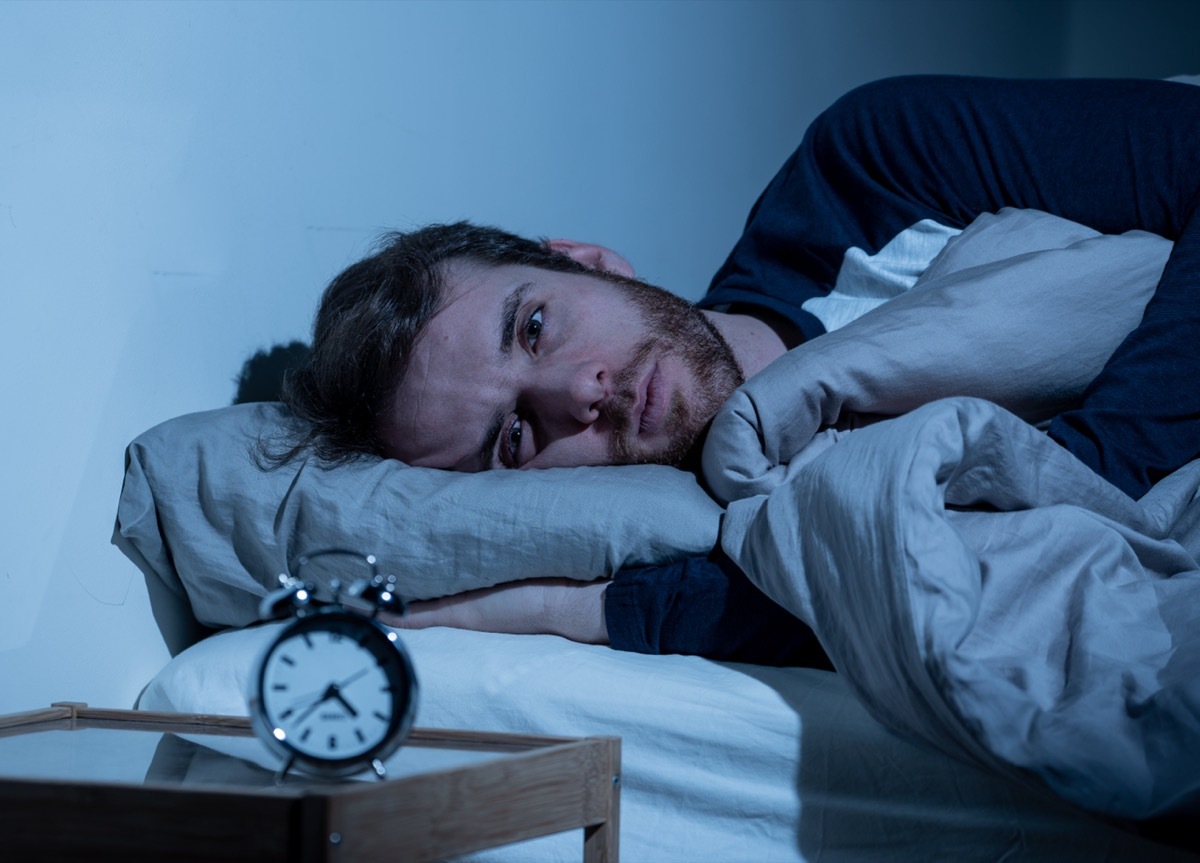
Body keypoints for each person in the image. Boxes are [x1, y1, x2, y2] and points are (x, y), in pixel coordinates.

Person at [283, 75, 1200, 666]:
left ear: (590, 261)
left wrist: (1096, 472)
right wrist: (559, 607)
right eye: (514, 437)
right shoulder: (735, 533)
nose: (576, 392)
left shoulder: (873, 167)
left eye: (533, 327)